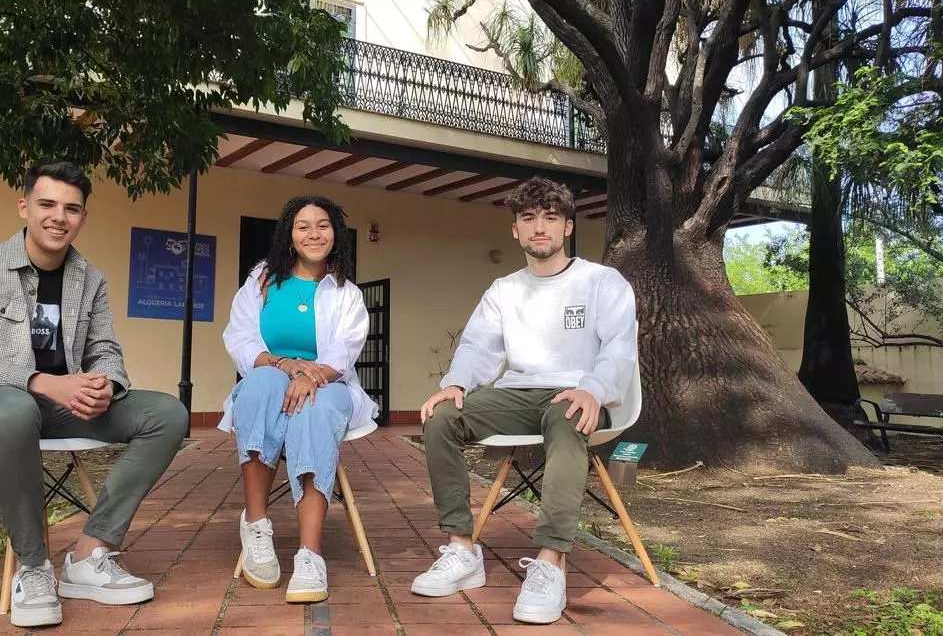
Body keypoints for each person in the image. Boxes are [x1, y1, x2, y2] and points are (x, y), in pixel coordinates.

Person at [0, 162, 188, 628]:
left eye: (71, 208)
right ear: (24, 207)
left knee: (168, 414)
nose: (59, 217)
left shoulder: (90, 279)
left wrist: (106, 385)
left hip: (61, 405)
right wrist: (42, 381)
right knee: (14, 410)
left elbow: (105, 350)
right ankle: (33, 568)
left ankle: (89, 554)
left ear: (83, 217)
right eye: (47, 204)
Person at [410, 177, 637, 624]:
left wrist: (592, 389)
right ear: (515, 230)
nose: (540, 227)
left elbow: (619, 349)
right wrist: (456, 384)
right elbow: (479, 347)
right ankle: (462, 550)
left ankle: (550, 563)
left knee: (567, 414)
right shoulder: (504, 289)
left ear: (568, 226)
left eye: (551, 217)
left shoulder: (601, 282)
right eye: (529, 218)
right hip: (517, 396)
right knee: (441, 416)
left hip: (580, 393)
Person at [221, 195, 377, 604]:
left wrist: (312, 375)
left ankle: (310, 555)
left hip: (328, 384)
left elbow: (346, 348)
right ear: (289, 235)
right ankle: (256, 525)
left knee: (313, 407)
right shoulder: (262, 280)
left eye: (323, 225)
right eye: (303, 226)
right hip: (272, 374)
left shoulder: (346, 293)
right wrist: (285, 365)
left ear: (335, 233)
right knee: (259, 385)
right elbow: (240, 337)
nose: (314, 234)